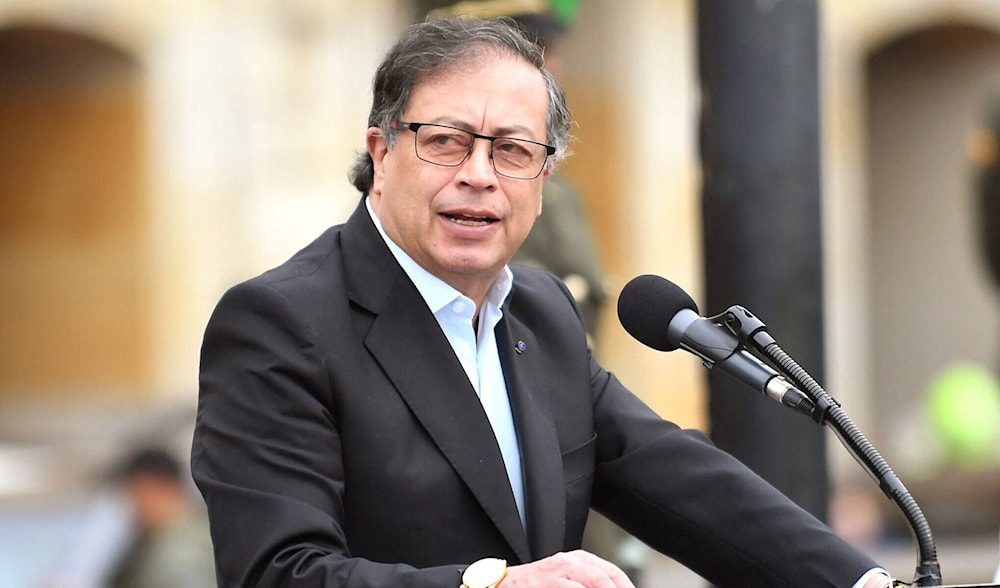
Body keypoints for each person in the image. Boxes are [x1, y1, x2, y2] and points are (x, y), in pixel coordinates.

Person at [191, 16, 894, 587]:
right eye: (445, 142)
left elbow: (682, 484)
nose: (479, 176)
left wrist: (863, 585)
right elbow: (276, 572)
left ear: (545, 175)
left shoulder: (541, 309)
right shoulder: (280, 324)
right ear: (380, 151)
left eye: (514, 151)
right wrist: (491, 585)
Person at [105, 446, 215, 588]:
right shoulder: (203, 530)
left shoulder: (178, 554)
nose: (131, 505)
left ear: (151, 486)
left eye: (134, 493)